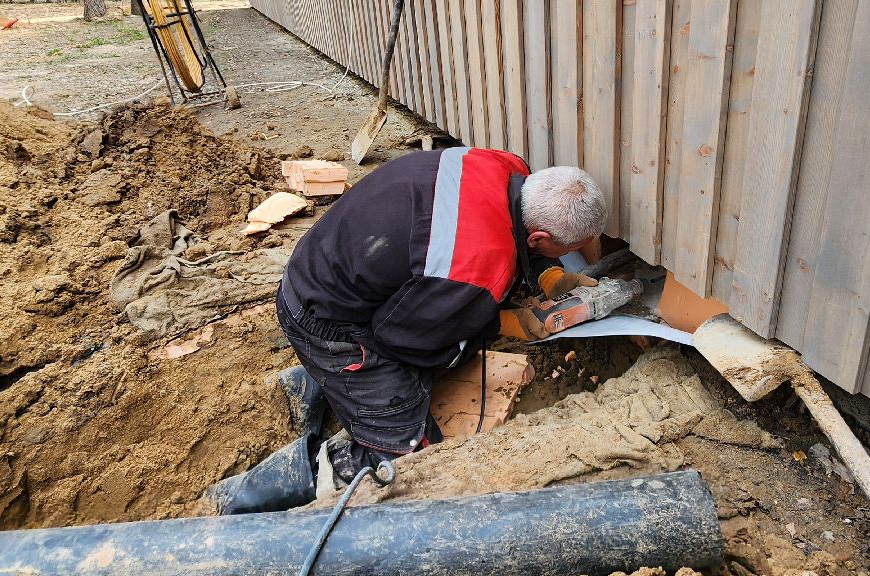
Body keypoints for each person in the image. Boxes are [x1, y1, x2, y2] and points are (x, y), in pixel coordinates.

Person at [207, 147, 613, 514]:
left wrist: (546, 273)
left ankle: (316, 382)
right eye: (564, 250)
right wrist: (503, 323)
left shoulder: (506, 167)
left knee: (455, 336)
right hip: (325, 322)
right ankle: (241, 496)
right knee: (404, 456)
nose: (569, 256)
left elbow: (501, 239)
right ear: (540, 236)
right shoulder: (474, 268)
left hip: (323, 269)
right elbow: (401, 339)